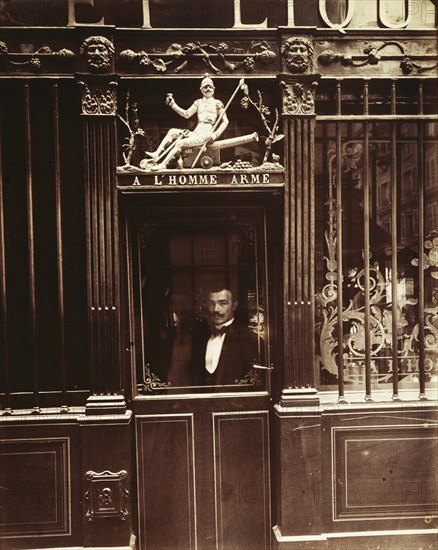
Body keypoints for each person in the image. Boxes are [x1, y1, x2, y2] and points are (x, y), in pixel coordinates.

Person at [141, 74, 229, 170]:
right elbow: (186, 114)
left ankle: (164, 164)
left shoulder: (217, 103)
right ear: (201, 89)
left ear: (214, 88)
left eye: (210, 87)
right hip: (196, 133)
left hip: (206, 135)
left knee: (180, 143)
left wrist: (215, 135)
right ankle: (156, 154)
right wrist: (173, 105)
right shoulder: (198, 102)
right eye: (205, 87)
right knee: (172, 131)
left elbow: (225, 121)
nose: (208, 89)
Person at [190, 286, 259, 387]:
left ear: (234, 306)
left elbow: (255, 384)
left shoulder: (249, 338)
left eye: (223, 303)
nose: (216, 309)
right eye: (211, 303)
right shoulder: (199, 338)